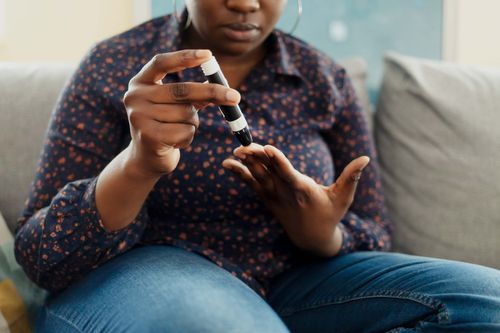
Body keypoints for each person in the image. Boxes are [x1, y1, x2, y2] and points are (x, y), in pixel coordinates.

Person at [14, 1, 500, 332]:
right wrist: (137, 166)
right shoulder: (112, 64)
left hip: (301, 282)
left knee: (487, 300)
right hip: (155, 272)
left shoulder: (323, 78)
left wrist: (319, 234)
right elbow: (41, 256)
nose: (245, 2)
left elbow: (373, 231)